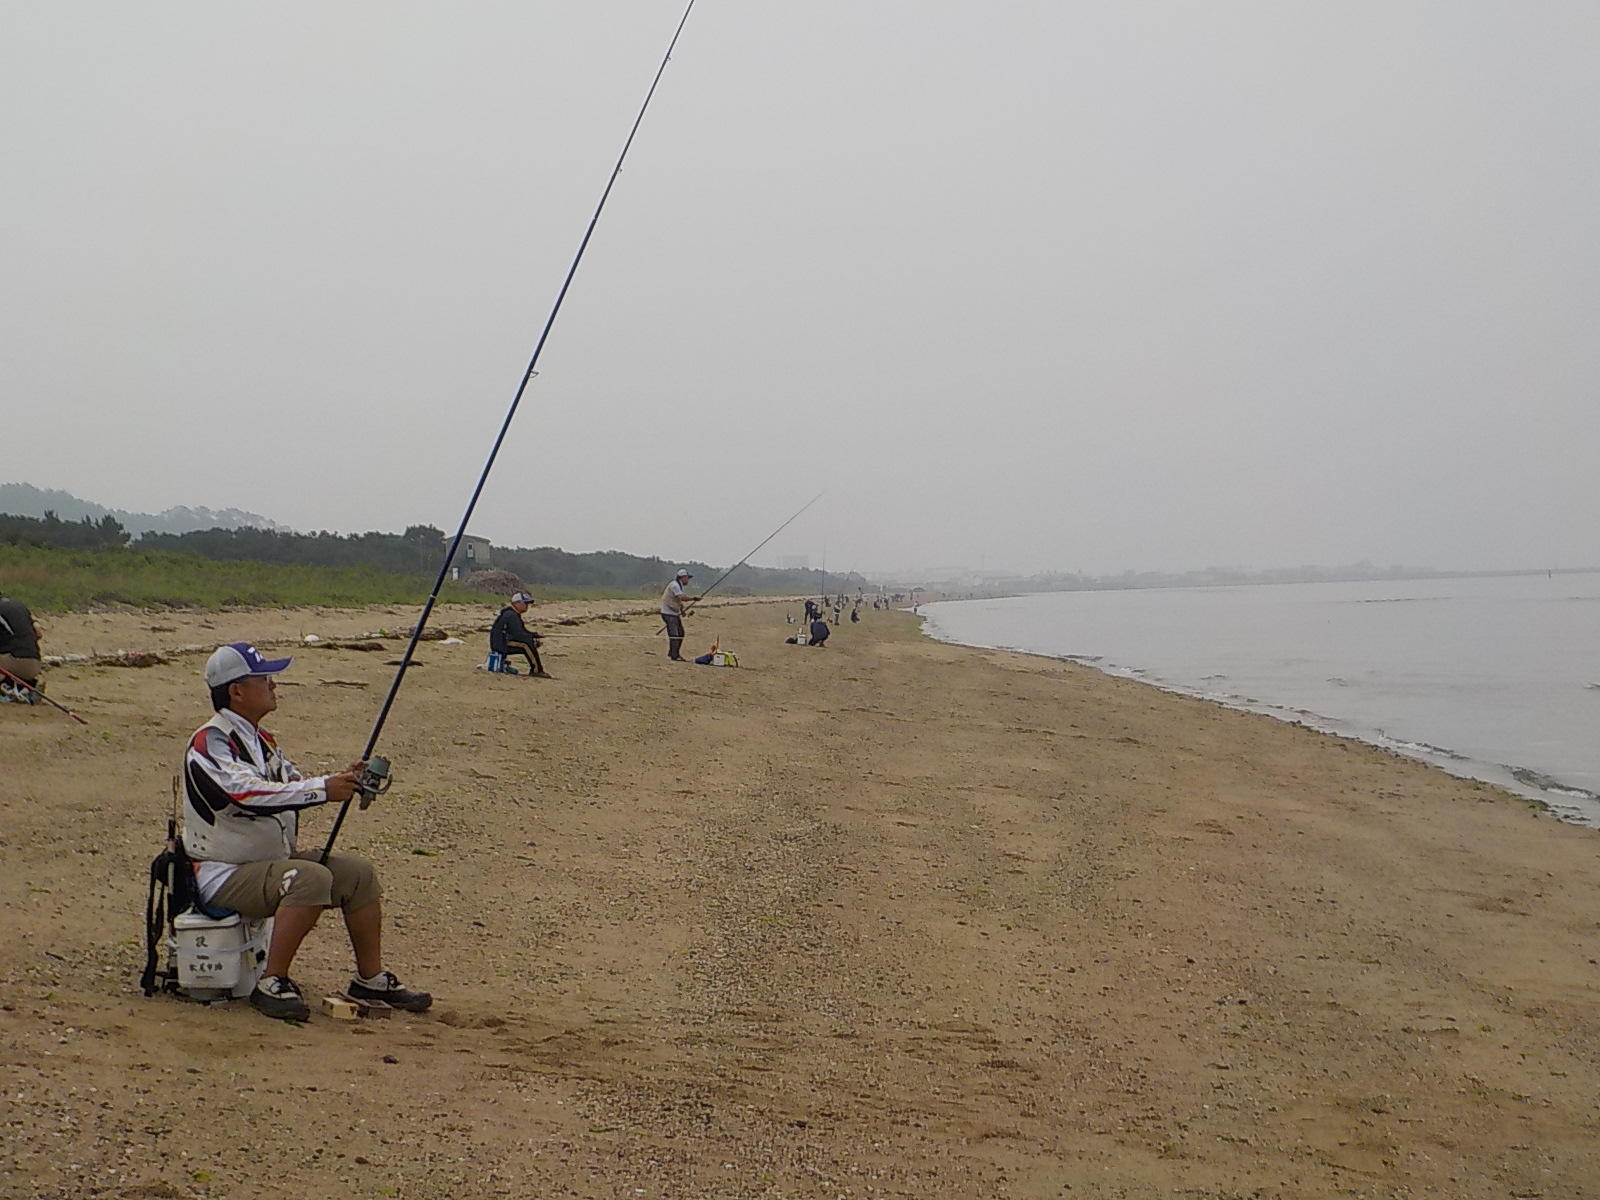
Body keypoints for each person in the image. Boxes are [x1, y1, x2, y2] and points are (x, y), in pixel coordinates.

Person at [182, 642, 432, 1021]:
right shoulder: (210, 741)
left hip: (265, 864)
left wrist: (346, 779)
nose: (273, 685)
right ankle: (272, 982)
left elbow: (294, 782)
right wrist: (322, 790)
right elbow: (246, 793)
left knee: (357, 875)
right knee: (309, 878)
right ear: (237, 691)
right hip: (222, 872)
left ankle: (370, 979)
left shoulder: (261, 741)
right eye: (264, 678)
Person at [490, 591, 549, 678]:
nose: (527, 606)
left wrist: (535, 635)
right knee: (527, 644)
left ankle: (536, 669)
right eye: (525, 603)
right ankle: (537, 670)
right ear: (517, 603)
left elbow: (521, 632)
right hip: (501, 643)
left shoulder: (512, 614)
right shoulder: (511, 615)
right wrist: (533, 638)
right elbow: (519, 634)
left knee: (528, 642)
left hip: (502, 641)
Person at [0, 593, 43, 702]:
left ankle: (11, 687)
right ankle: (23, 686)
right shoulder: (18, 606)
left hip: (13, 662)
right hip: (35, 664)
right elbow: (38, 633)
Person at [659, 569, 699, 661]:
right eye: (687, 578)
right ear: (683, 577)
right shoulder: (675, 585)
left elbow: (678, 600)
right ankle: (674, 656)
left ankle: (673, 653)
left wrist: (682, 610)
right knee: (674, 635)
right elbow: (681, 597)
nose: (688, 580)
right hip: (668, 614)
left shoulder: (679, 586)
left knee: (680, 633)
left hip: (673, 613)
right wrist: (694, 598)